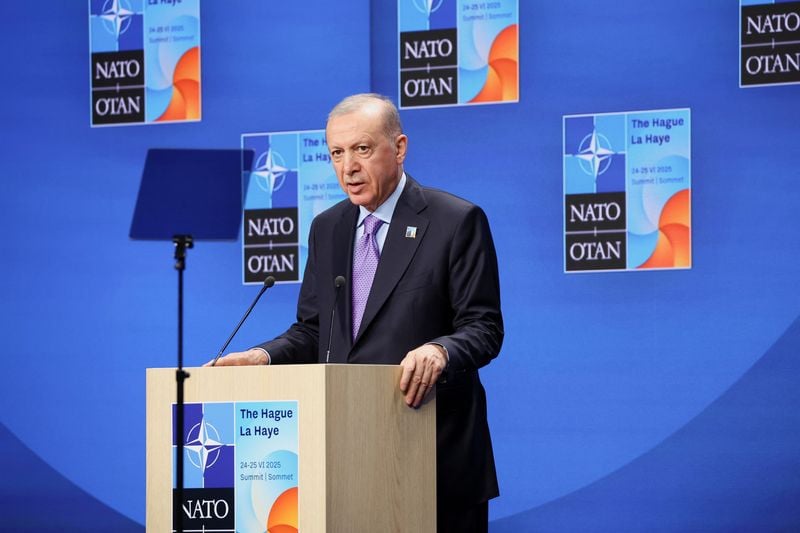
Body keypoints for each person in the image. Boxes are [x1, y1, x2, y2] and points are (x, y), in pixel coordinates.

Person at [210, 93, 503, 532]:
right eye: (337, 153)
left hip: (433, 454)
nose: (348, 167)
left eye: (362, 149)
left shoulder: (455, 220)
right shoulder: (328, 227)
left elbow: (483, 327)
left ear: (399, 148)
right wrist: (263, 357)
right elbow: (314, 332)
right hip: (347, 457)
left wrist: (440, 351)